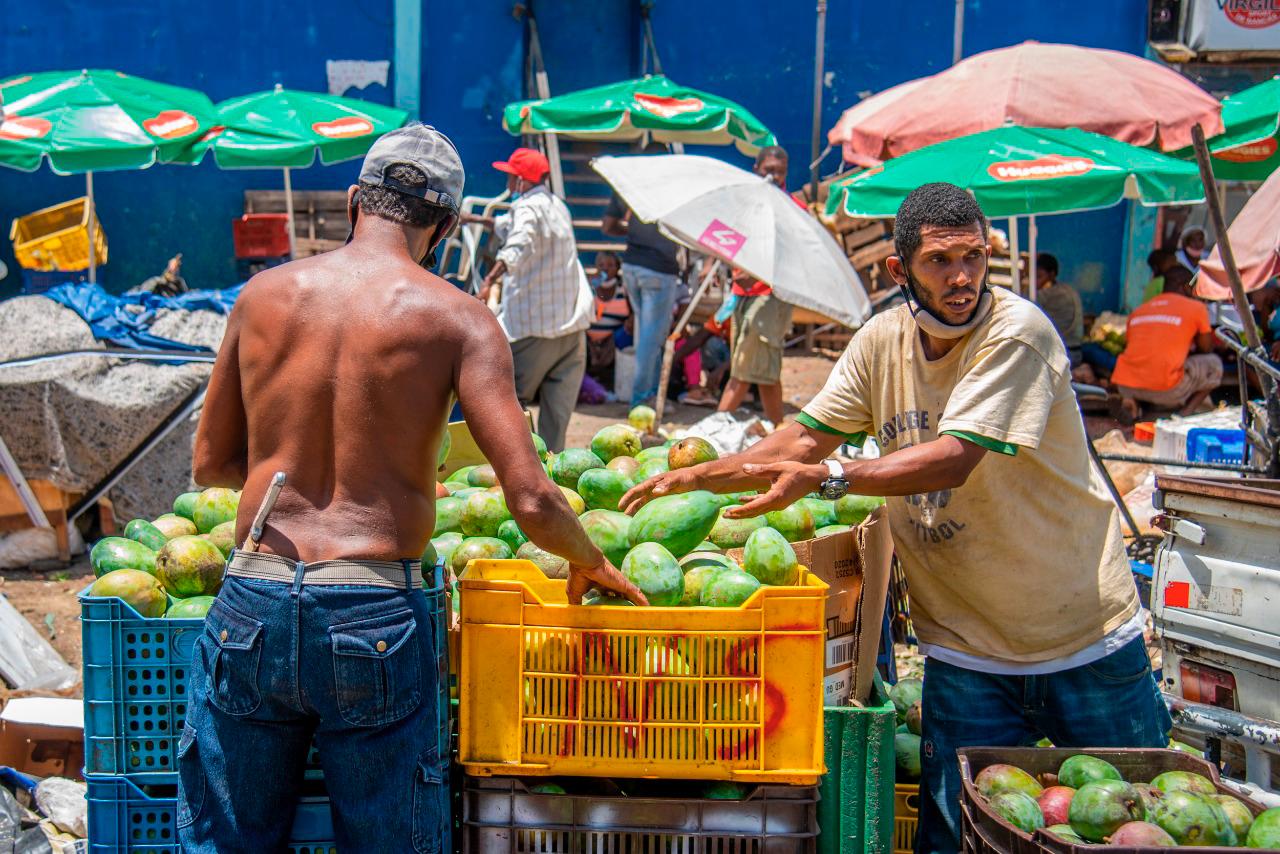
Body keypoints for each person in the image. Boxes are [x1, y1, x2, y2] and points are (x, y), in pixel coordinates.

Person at [621, 182, 1170, 854]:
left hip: (1083, 639)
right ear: (899, 269)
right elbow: (803, 439)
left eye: (973, 256)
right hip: (966, 651)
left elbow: (951, 458)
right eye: (941, 261)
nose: (962, 276)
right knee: (955, 840)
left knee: (1134, 830)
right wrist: (699, 474)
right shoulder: (881, 341)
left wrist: (830, 477)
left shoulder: (1018, 333)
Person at [178, 125, 643, 854]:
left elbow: (210, 463)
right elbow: (530, 497)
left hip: (254, 601)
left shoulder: (263, 295)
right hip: (373, 610)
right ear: (448, 225)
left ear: (356, 200)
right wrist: (590, 559)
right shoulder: (458, 318)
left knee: (230, 839)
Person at [477, 147, 594, 452]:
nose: (507, 183)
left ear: (520, 181)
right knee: (556, 420)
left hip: (533, 330)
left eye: (510, 177)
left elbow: (516, 243)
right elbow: (509, 226)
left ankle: (510, 473)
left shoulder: (526, 209)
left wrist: (490, 280)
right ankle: (553, 476)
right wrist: (474, 219)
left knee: (507, 405)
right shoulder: (558, 206)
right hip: (571, 331)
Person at [716, 145, 798, 426]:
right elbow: (729, 240)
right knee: (764, 373)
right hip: (742, 294)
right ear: (756, 170)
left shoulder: (792, 209)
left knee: (741, 371)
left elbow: (795, 258)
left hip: (770, 296)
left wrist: (759, 275)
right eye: (768, 171)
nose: (774, 176)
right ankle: (779, 428)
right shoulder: (745, 207)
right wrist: (717, 265)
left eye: (780, 171)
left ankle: (714, 429)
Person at [603, 157, 682, 407]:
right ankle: (640, 399)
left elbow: (608, 226)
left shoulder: (630, 185)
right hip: (659, 270)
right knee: (651, 337)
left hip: (631, 266)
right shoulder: (675, 187)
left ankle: (652, 396)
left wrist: (635, 232)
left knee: (647, 335)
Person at [1110, 265, 1223, 420]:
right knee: (1214, 363)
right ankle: (1185, 414)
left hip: (1125, 385)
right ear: (1185, 286)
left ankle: (1134, 403)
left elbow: (1135, 346)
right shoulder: (1196, 308)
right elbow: (1206, 348)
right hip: (1168, 390)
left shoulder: (1140, 309)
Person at [586, 250, 630, 385]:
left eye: (610, 265)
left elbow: (633, 316)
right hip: (588, 339)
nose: (605, 268)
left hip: (615, 339)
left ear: (617, 268)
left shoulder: (624, 289)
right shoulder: (588, 287)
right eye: (601, 265)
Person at [1033, 252, 1082, 368]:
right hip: (1073, 351)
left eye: (1039, 276)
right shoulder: (1066, 288)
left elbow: (1022, 300)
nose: (1035, 281)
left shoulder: (1053, 294)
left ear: (1052, 275)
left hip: (1066, 353)